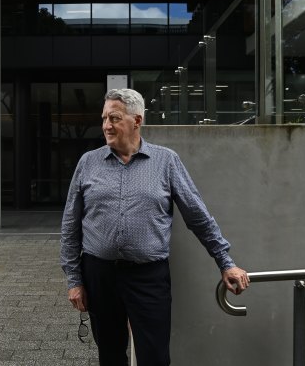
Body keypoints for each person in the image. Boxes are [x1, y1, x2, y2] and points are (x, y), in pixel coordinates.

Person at [60, 88, 249, 366]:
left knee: (155, 357)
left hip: (148, 277)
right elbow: (70, 224)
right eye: (104, 118)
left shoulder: (166, 161)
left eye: (114, 118)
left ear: (136, 120)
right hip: (100, 275)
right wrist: (74, 280)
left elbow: (198, 217)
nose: (106, 126)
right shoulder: (88, 163)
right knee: (110, 355)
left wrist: (225, 262)